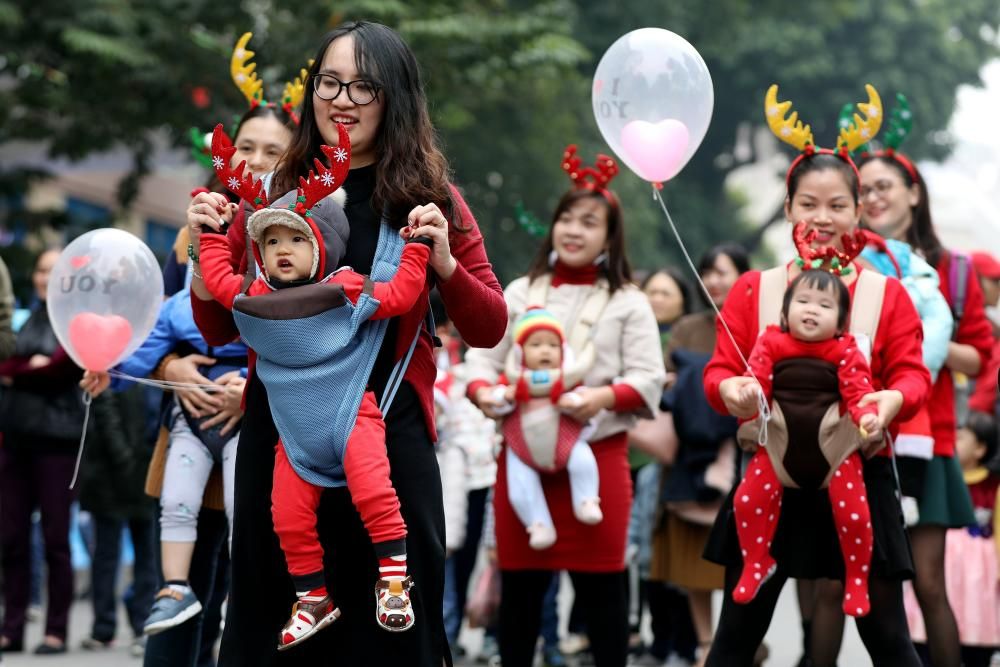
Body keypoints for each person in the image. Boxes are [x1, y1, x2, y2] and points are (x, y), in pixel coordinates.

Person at [185, 20, 506, 665]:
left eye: (363, 86)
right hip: (279, 438)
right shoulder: (273, 194)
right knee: (271, 621)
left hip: (390, 436)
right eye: (330, 82)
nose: (343, 99)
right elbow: (220, 327)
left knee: (390, 633)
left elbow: (489, 324)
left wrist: (443, 261)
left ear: (396, 98)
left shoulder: (431, 199)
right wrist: (204, 255)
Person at [702, 84, 931, 667]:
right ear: (788, 209)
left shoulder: (887, 293)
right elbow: (721, 371)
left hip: (859, 472)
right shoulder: (756, 289)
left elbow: (911, 374)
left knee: (889, 641)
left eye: (836, 206)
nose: (822, 218)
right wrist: (730, 390)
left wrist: (889, 401)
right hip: (769, 475)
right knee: (733, 640)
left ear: (858, 211)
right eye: (809, 204)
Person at [194, 127, 436, 645]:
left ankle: (393, 579)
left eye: (296, 238)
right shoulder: (253, 292)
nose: (282, 250)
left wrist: (415, 248)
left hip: (353, 417)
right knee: (286, 515)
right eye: (271, 240)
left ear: (322, 245)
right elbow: (216, 279)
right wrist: (211, 233)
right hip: (292, 437)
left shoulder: (345, 284)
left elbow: (399, 294)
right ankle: (312, 598)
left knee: (376, 494)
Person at [465, 145, 665, 667]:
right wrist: (487, 394)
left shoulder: (629, 301)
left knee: (603, 595)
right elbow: (481, 363)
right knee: (521, 596)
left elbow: (647, 381)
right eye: (567, 219)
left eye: (590, 223)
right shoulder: (519, 291)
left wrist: (599, 397)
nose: (575, 231)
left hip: (595, 462)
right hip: (522, 458)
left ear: (609, 236)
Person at [850, 115, 993, 667]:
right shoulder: (843, 266)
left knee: (928, 582)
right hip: (855, 435)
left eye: (884, 186)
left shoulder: (952, 272)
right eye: (862, 190)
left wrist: (921, 335)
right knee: (838, 584)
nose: (873, 198)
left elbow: (979, 357)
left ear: (914, 192)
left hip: (925, 438)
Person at [732, 268, 880, 615]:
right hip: (780, 445)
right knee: (746, 500)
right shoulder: (769, 341)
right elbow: (756, 378)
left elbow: (858, 392)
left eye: (824, 305)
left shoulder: (846, 349)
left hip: (835, 448)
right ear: (784, 314)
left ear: (842, 322)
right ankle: (756, 561)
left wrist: (867, 417)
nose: (811, 309)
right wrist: (750, 391)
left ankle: (856, 578)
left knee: (856, 514)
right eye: (803, 301)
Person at [650, 244, 749, 667]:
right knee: (692, 555)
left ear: (745, 276)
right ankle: (706, 644)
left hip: (743, 453)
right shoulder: (688, 328)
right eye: (708, 272)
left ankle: (735, 640)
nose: (714, 281)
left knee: (742, 556)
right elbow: (662, 378)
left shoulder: (759, 323)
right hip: (688, 454)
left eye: (723, 272)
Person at [0, 248, 86, 655]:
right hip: (16, 440)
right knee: (12, 537)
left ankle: (56, 630)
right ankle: (11, 628)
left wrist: (21, 371)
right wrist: (24, 367)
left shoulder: (76, 321)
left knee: (56, 540)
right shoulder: (29, 317)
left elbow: (60, 370)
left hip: (58, 442)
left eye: (53, 270)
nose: (44, 276)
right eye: (39, 268)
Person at [491, 307, 604, 550]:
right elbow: (495, 400)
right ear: (521, 351)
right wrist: (504, 396)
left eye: (552, 345)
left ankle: (586, 499)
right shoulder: (512, 380)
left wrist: (574, 401)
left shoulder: (568, 381)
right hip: (521, 444)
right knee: (520, 483)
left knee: (583, 460)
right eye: (536, 344)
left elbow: (583, 398)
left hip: (565, 438)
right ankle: (538, 523)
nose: (545, 350)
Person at [903, 410, 1000, 667]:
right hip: (945, 561)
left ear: (981, 448)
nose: (957, 442)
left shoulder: (992, 485)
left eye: (962, 437)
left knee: (942, 597)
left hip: (977, 574)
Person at [77, 384, 158, 656]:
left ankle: (138, 624)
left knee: (141, 554)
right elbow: (105, 414)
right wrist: (126, 458)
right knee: (112, 554)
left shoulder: (152, 356)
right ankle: (110, 626)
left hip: (141, 469)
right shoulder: (108, 364)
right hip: (116, 474)